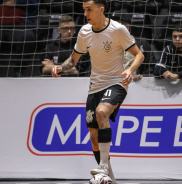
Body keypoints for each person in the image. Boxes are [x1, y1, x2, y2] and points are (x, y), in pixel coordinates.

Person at [51, 0, 144, 183]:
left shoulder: (117, 29)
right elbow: (73, 59)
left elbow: (139, 54)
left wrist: (129, 70)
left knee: (102, 112)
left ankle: (102, 168)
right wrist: (60, 68)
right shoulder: (84, 32)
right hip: (95, 87)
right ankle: (109, 177)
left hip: (116, 82)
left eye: (89, 10)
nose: (85, 13)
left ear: (101, 10)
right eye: (84, 10)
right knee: (94, 138)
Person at [109, 12, 155, 81]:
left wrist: (141, 77)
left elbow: (151, 68)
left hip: (135, 86)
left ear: (127, 27)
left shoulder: (142, 44)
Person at [0, 0, 38, 77]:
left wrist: (16, 2)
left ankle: (19, 70)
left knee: (27, 36)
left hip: (19, 25)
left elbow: (34, 3)